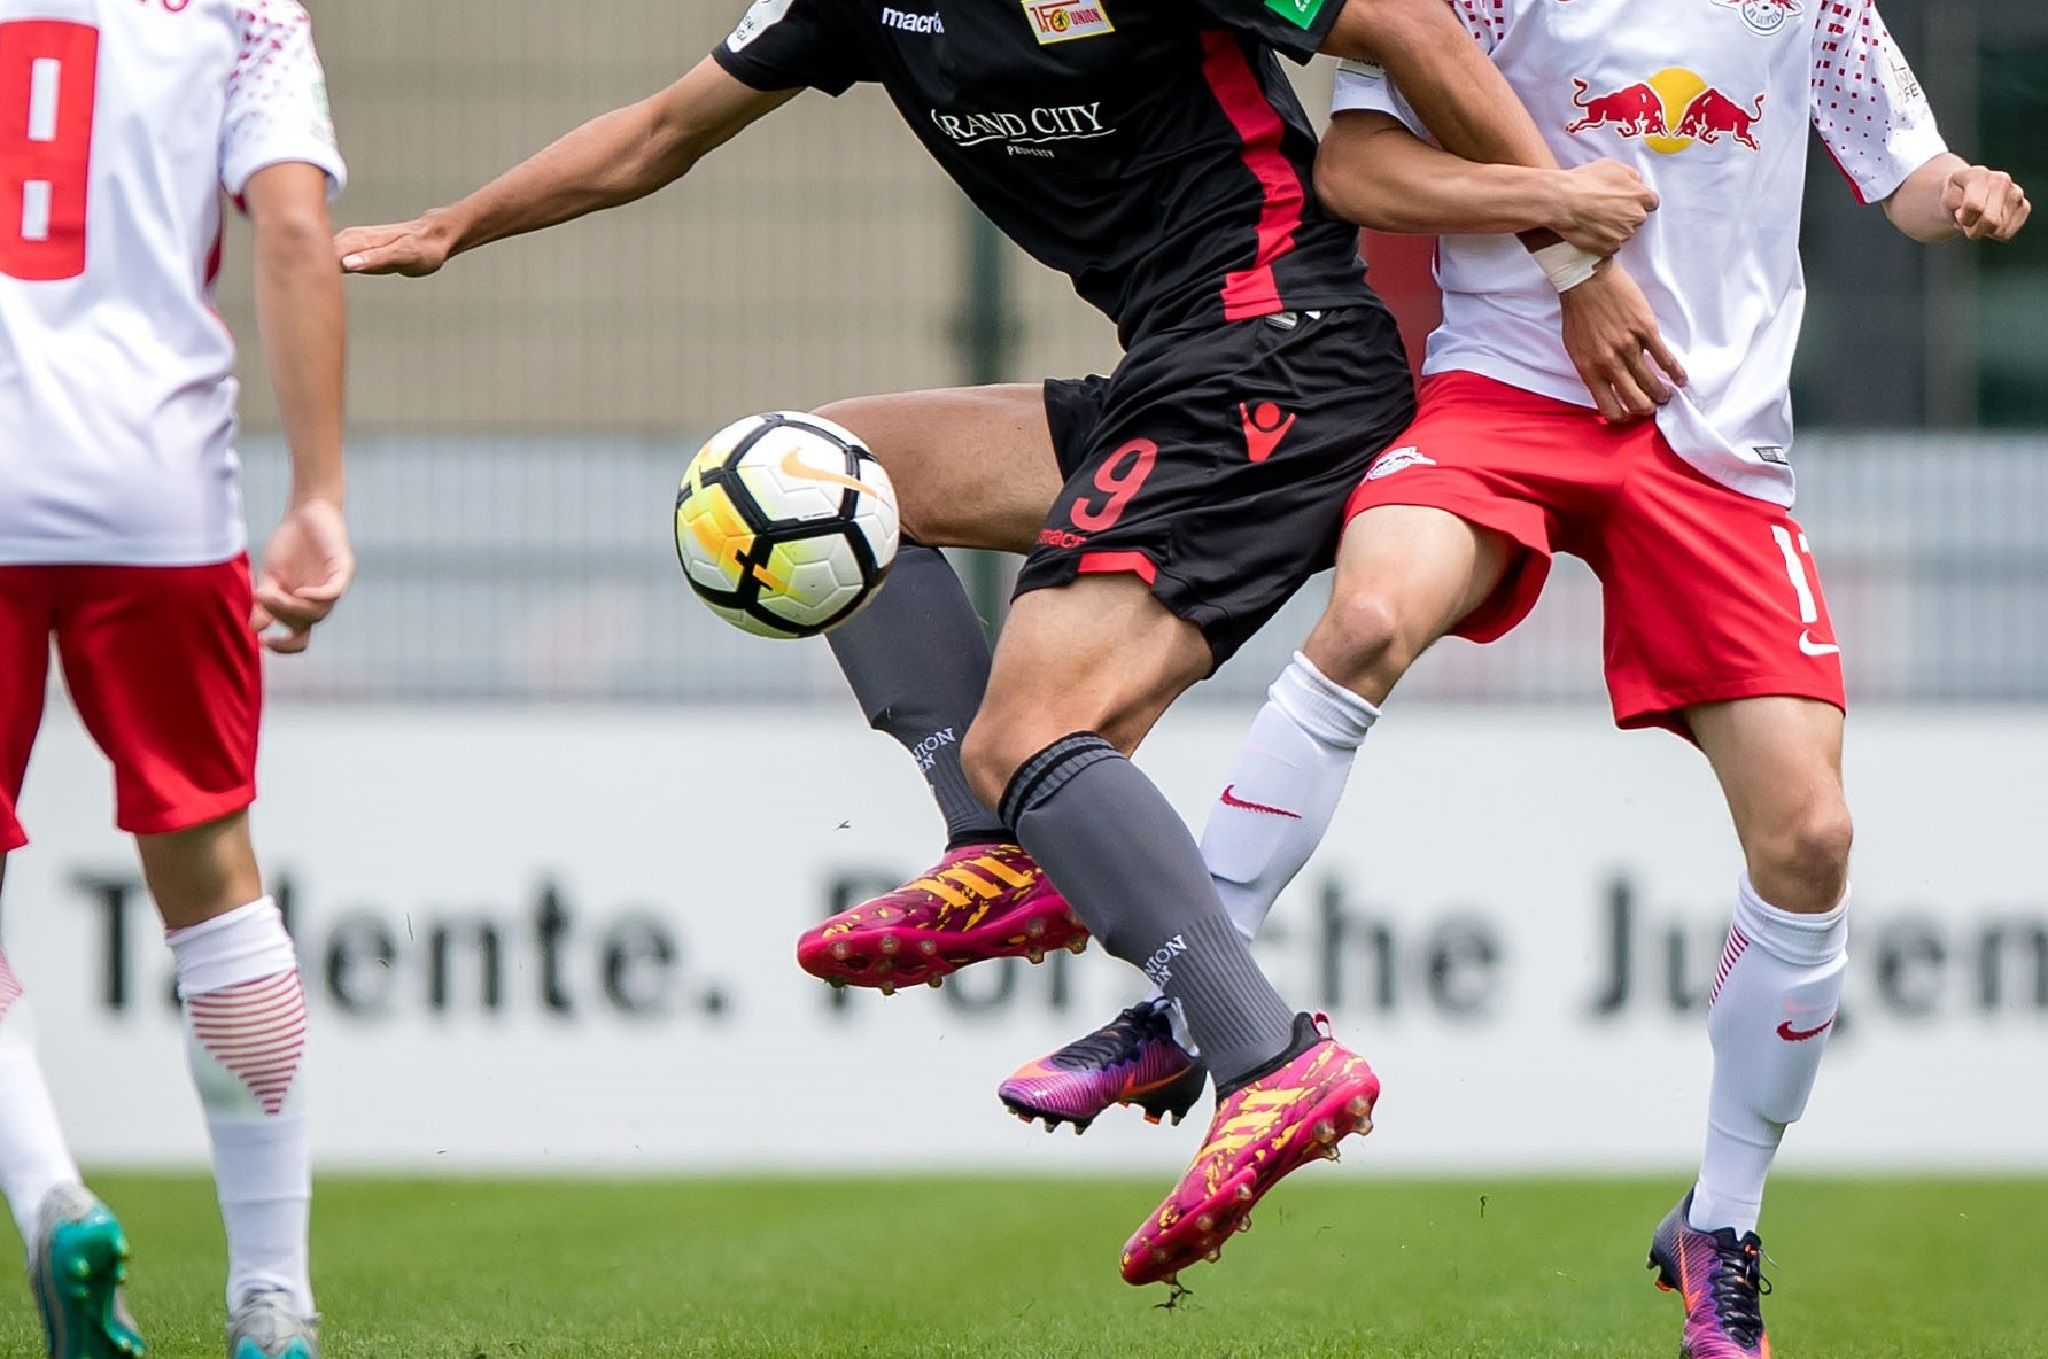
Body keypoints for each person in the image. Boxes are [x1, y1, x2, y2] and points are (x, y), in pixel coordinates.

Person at [334, 0, 1664, 1288]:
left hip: (1279, 361)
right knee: (823, 470)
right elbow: (656, 131)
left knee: (1030, 728)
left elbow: (1415, 27)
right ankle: (994, 852)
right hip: (1176, 372)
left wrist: (1573, 258)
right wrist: (458, 225)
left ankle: (1268, 1059)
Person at [1007, 0, 2029, 1349]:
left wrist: (1959, 190)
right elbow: (1357, 167)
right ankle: (1187, 999)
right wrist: (1548, 201)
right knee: (1370, 617)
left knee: (1813, 838)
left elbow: (1898, 174)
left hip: (1711, 444)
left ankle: (1720, 1219)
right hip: (1505, 391)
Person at [0, 1, 352, 1355]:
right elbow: (293, 228)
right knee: (212, 882)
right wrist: (317, 494)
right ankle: (274, 1300)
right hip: (153, 486)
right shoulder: (242, 7)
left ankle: (53, 1206)